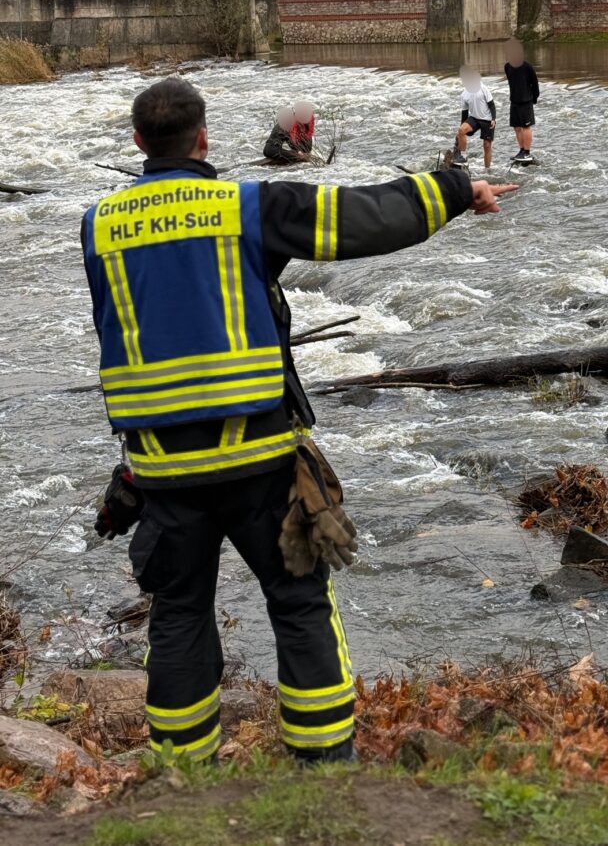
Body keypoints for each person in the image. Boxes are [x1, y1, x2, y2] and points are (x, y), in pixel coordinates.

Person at [81, 78, 513, 765]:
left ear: (138, 143)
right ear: (204, 138)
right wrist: (455, 190)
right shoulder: (245, 207)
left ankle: (182, 775)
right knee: (299, 602)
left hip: (161, 470)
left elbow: (129, 329)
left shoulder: (97, 226)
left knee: (179, 617)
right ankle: (322, 773)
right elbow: (362, 218)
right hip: (258, 459)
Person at [504, 38, 540, 163]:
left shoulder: (527, 67)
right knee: (517, 128)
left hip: (526, 101)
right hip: (514, 101)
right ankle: (521, 150)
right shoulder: (507, 66)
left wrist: (534, 98)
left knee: (526, 127)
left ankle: (527, 152)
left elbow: (534, 84)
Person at [454, 69, 496, 169]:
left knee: (487, 146)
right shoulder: (464, 94)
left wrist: (494, 118)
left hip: (487, 119)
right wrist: (459, 133)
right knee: (461, 131)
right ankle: (463, 158)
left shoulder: (483, 88)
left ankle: (487, 169)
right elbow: (464, 113)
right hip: (474, 118)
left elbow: (491, 104)